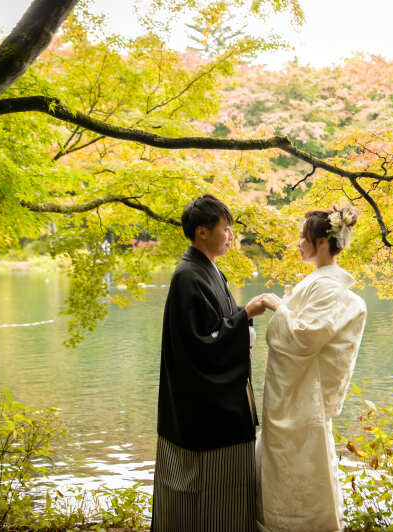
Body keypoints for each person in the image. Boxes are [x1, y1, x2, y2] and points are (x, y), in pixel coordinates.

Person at [151, 194, 266, 532]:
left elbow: (220, 328)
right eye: (225, 228)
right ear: (202, 232)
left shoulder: (209, 271)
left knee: (221, 497)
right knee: (198, 496)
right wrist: (244, 315)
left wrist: (241, 318)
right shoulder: (188, 277)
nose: (230, 235)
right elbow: (200, 345)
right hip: (201, 412)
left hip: (215, 405)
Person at [257, 206, 368, 532]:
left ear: (321, 242)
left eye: (303, 237)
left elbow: (305, 338)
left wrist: (278, 306)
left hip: (301, 397)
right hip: (297, 395)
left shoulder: (327, 286)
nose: (298, 243)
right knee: (298, 467)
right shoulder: (319, 282)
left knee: (302, 469)